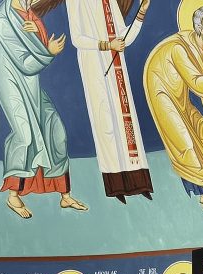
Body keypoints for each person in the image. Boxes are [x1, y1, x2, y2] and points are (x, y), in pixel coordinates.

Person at [0, 0, 88, 219]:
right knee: (25, 135)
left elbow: (38, 45)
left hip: (31, 86)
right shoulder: (2, 22)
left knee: (55, 131)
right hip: (11, 86)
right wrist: (49, 52)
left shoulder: (26, 13)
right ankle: (13, 195)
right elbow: (27, 63)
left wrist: (39, 32)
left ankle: (65, 195)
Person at [143, 5, 203, 215]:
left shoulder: (200, 47)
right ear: (198, 28)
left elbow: (201, 85)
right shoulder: (180, 49)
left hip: (180, 97)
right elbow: (197, 82)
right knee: (187, 146)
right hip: (164, 98)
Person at [66, 0, 153, 202]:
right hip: (94, 67)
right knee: (106, 124)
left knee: (127, 123)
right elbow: (77, 39)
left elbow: (123, 36)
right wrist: (107, 45)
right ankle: (117, 185)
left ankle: (139, 182)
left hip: (116, 66)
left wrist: (141, 13)